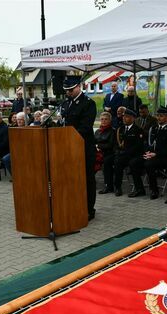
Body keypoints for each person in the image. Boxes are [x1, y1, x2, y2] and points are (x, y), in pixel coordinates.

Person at [59, 76, 97, 220]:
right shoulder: (66, 103)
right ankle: (75, 205)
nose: (68, 93)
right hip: (69, 148)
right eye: (66, 90)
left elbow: (85, 127)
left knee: (87, 179)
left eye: (70, 90)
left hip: (84, 147)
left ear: (78, 87)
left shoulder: (88, 104)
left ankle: (89, 209)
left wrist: (69, 136)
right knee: (72, 179)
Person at [130, 106, 167, 199]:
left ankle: (154, 190)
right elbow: (148, 143)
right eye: (157, 115)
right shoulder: (154, 128)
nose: (158, 118)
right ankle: (139, 189)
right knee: (133, 162)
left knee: (149, 164)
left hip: (164, 157)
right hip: (151, 155)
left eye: (161, 116)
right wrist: (147, 152)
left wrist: (156, 154)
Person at [113, 108, 144, 196]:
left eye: (126, 117)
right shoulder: (120, 129)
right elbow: (116, 143)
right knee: (117, 162)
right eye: (123, 117)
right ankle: (118, 187)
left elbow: (138, 146)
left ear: (133, 118)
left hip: (135, 155)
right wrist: (117, 151)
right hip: (123, 155)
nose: (124, 118)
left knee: (133, 163)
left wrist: (126, 152)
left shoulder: (138, 130)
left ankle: (139, 189)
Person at [95, 112, 116, 194]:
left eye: (106, 119)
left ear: (110, 120)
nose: (103, 121)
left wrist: (98, 146)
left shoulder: (113, 131)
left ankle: (108, 186)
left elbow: (110, 145)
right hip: (98, 153)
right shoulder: (97, 131)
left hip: (109, 153)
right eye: (102, 119)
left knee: (106, 162)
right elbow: (93, 142)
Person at [1, 112, 26, 176]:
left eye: (21, 119)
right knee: (5, 159)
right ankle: (15, 176)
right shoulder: (14, 128)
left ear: (25, 120)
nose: (19, 121)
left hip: (26, 151)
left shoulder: (28, 128)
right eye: (18, 119)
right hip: (16, 150)